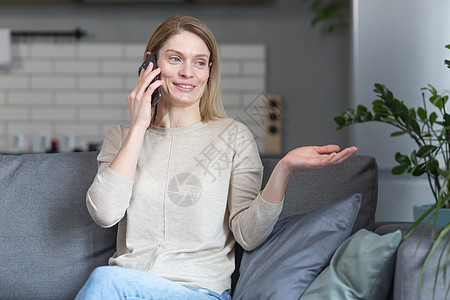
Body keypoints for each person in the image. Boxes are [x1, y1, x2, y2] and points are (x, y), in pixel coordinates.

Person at [75, 15, 357, 300]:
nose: (188, 72)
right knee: (107, 282)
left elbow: (248, 235)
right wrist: (138, 126)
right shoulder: (122, 137)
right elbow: (105, 213)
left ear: (209, 71)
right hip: (127, 287)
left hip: (198, 292)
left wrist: (284, 169)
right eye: (175, 59)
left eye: (199, 62)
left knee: (104, 282)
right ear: (150, 64)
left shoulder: (233, 137)